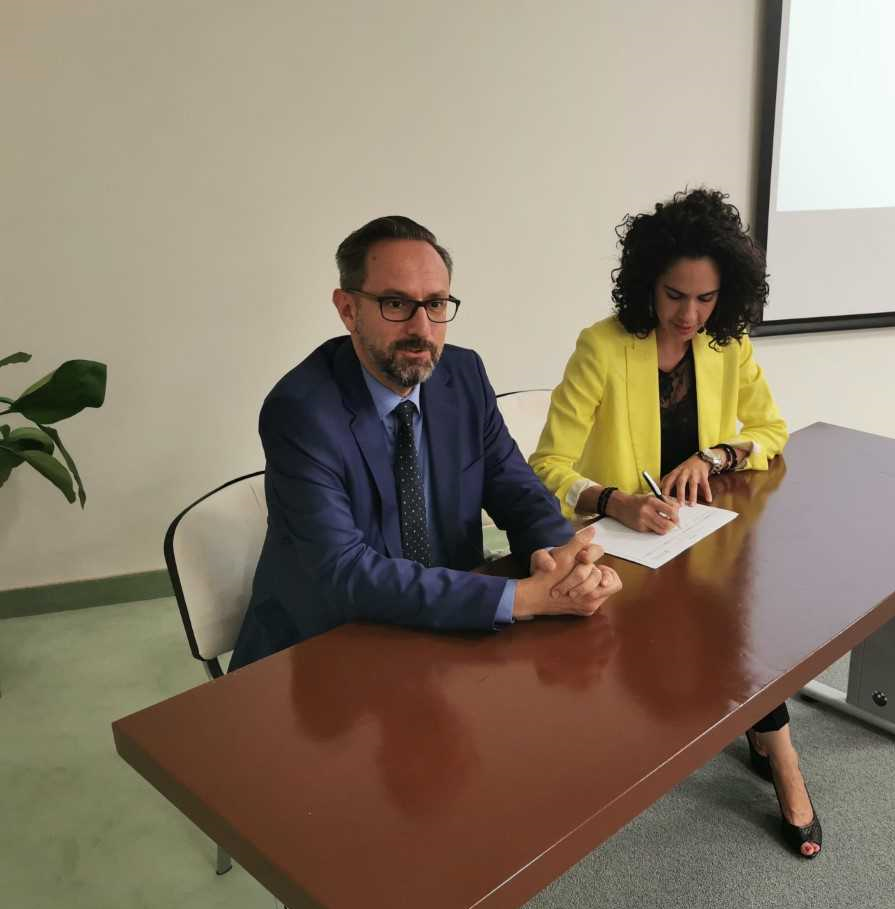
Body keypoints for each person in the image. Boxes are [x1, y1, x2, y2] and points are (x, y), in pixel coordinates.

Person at [528, 188, 821, 858]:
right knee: (709, 638)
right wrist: (612, 499)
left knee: (739, 628)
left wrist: (715, 454)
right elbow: (545, 465)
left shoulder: (726, 344)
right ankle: (768, 745)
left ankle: (779, 752)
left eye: (706, 298)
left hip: (706, 540)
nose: (690, 315)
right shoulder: (603, 348)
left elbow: (770, 429)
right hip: (627, 554)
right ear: (647, 284)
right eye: (675, 295)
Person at [230, 215, 622, 676]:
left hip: (450, 633)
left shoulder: (463, 375)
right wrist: (520, 599)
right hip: (329, 648)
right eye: (396, 304)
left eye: (436, 304)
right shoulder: (301, 411)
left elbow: (516, 488)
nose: (422, 328)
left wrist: (561, 558)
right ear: (348, 309)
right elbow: (345, 572)